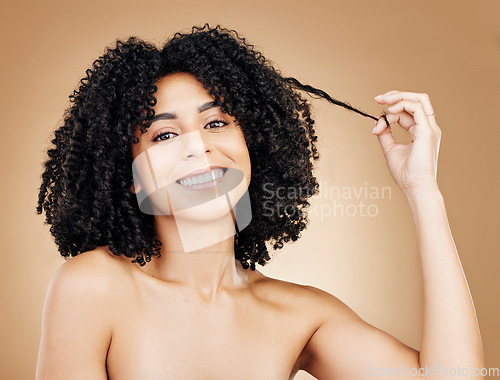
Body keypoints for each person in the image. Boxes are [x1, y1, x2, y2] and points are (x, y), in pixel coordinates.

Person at [35, 24, 484, 379]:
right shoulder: (92, 287)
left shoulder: (299, 315)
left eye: (216, 123)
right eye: (165, 134)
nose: (198, 148)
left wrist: (423, 190)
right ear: (129, 178)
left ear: (254, 145)